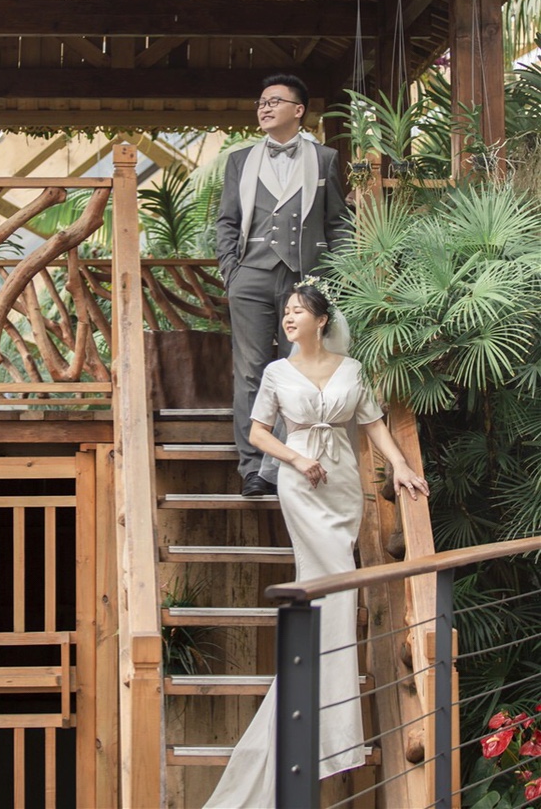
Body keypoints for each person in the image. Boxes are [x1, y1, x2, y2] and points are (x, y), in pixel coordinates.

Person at [203, 282, 429, 808]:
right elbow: (258, 433)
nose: (288, 318)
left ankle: (325, 703)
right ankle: (323, 711)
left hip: (343, 486)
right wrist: (297, 458)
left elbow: (372, 424)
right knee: (326, 582)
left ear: (322, 320)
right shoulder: (276, 373)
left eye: (298, 311)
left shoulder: (352, 370)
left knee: (340, 588)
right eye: (286, 311)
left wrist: (400, 466)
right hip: (301, 483)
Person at [216, 73, 349, 497]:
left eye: (274, 101)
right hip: (250, 276)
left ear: (299, 110)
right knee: (251, 371)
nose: (265, 107)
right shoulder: (239, 161)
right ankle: (253, 468)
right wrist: (232, 272)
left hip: (304, 278)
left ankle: (283, 466)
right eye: (261, 102)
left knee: (295, 370)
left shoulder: (325, 158)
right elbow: (227, 221)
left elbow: (338, 222)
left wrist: (333, 278)